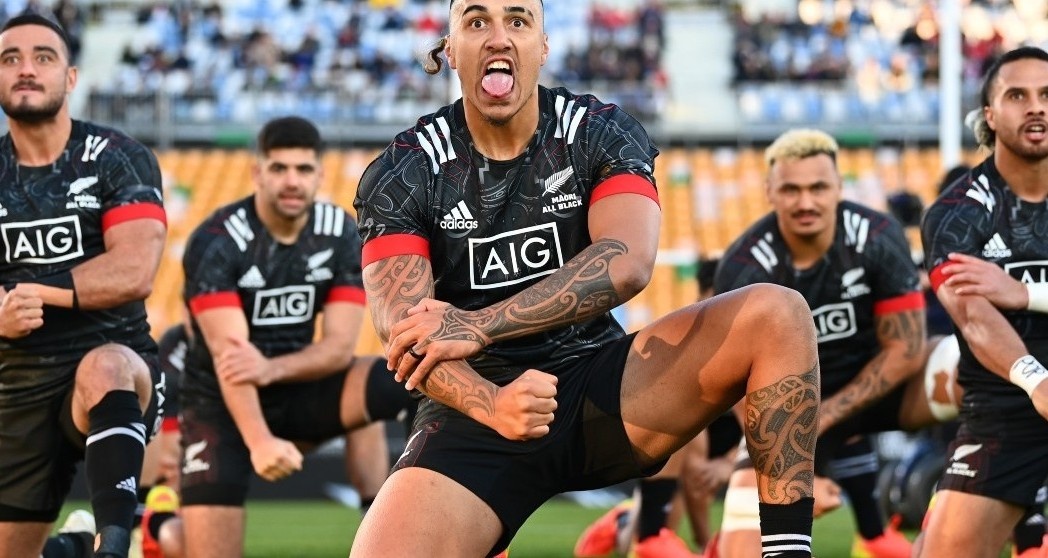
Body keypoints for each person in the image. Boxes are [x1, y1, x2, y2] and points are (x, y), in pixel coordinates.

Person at [350, 2, 821, 557]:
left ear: (543, 45)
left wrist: (480, 324)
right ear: (450, 50)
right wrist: (492, 404)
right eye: (476, 22)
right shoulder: (405, 168)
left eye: (518, 21)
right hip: (473, 408)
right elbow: (404, 332)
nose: (498, 37)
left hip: (600, 385)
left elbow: (627, 261)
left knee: (778, 314)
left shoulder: (598, 130)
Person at [710, 128, 963, 558]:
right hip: (789, 412)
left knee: (977, 366)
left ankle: (1015, 523)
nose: (806, 202)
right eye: (791, 190)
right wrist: (799, 452)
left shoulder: (878, 236)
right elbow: (736, 382)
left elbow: (905, 349)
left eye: (818, 188)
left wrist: (826, 416)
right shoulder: (744, 264)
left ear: (839, 187)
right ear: (770, 191)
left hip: (886, 390)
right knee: (741, 551)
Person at [177, 116, 414, 558]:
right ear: (257, 174)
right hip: (220, 406)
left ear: (320, 175)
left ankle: (388, 523)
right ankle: (157, 529)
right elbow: (232, 359)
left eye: (303, 169)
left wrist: (272, 368)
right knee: (196, 549)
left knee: (402, 377)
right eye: (279, 168)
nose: (292, 181)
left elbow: (338, 349)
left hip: (300, 387)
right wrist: (260, 441)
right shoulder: (217, 240)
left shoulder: (339, 233)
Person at [0, 8, 168, 558]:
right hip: (16, 386)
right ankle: (72, 545)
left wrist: (31, 293)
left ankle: (111, 544)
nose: (26, 69)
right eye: (10, 59)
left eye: (43, 57)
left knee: (106, 366)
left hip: (116, 371)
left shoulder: (119, 157)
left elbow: (134, 271)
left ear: (70, 76)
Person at [916, 45, 1048, 558]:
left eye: (1047, 95)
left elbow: (1006, 298)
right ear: (990, 115)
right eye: (1018, 96)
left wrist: (1025, 292)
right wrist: (1036, 381)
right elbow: (971, 314)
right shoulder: (956, 213)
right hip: (1006, 409)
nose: (1036, 107)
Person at [573, 257, 743, 558]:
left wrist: (730, 463)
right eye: (719, 296)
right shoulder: (686, 343)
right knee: (687, 445)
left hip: (734, 443)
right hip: (686, 441)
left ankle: (628, 524)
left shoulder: (748, 343)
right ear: (701, 298)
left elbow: (760, 421)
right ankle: (654, 533)